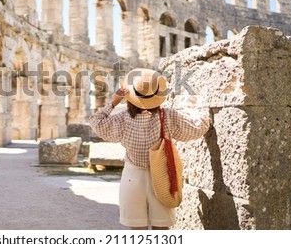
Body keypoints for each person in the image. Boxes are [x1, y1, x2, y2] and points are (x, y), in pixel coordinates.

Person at [89, 68, 211, 230]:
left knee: (137, 230)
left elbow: (96, 122)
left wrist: (113, 102)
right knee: (162, 229)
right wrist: (199, 108)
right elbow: (196, 128)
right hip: (161, 176)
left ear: (130, 96)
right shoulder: (168, 116)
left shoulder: (123, 119)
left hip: (132, 177)